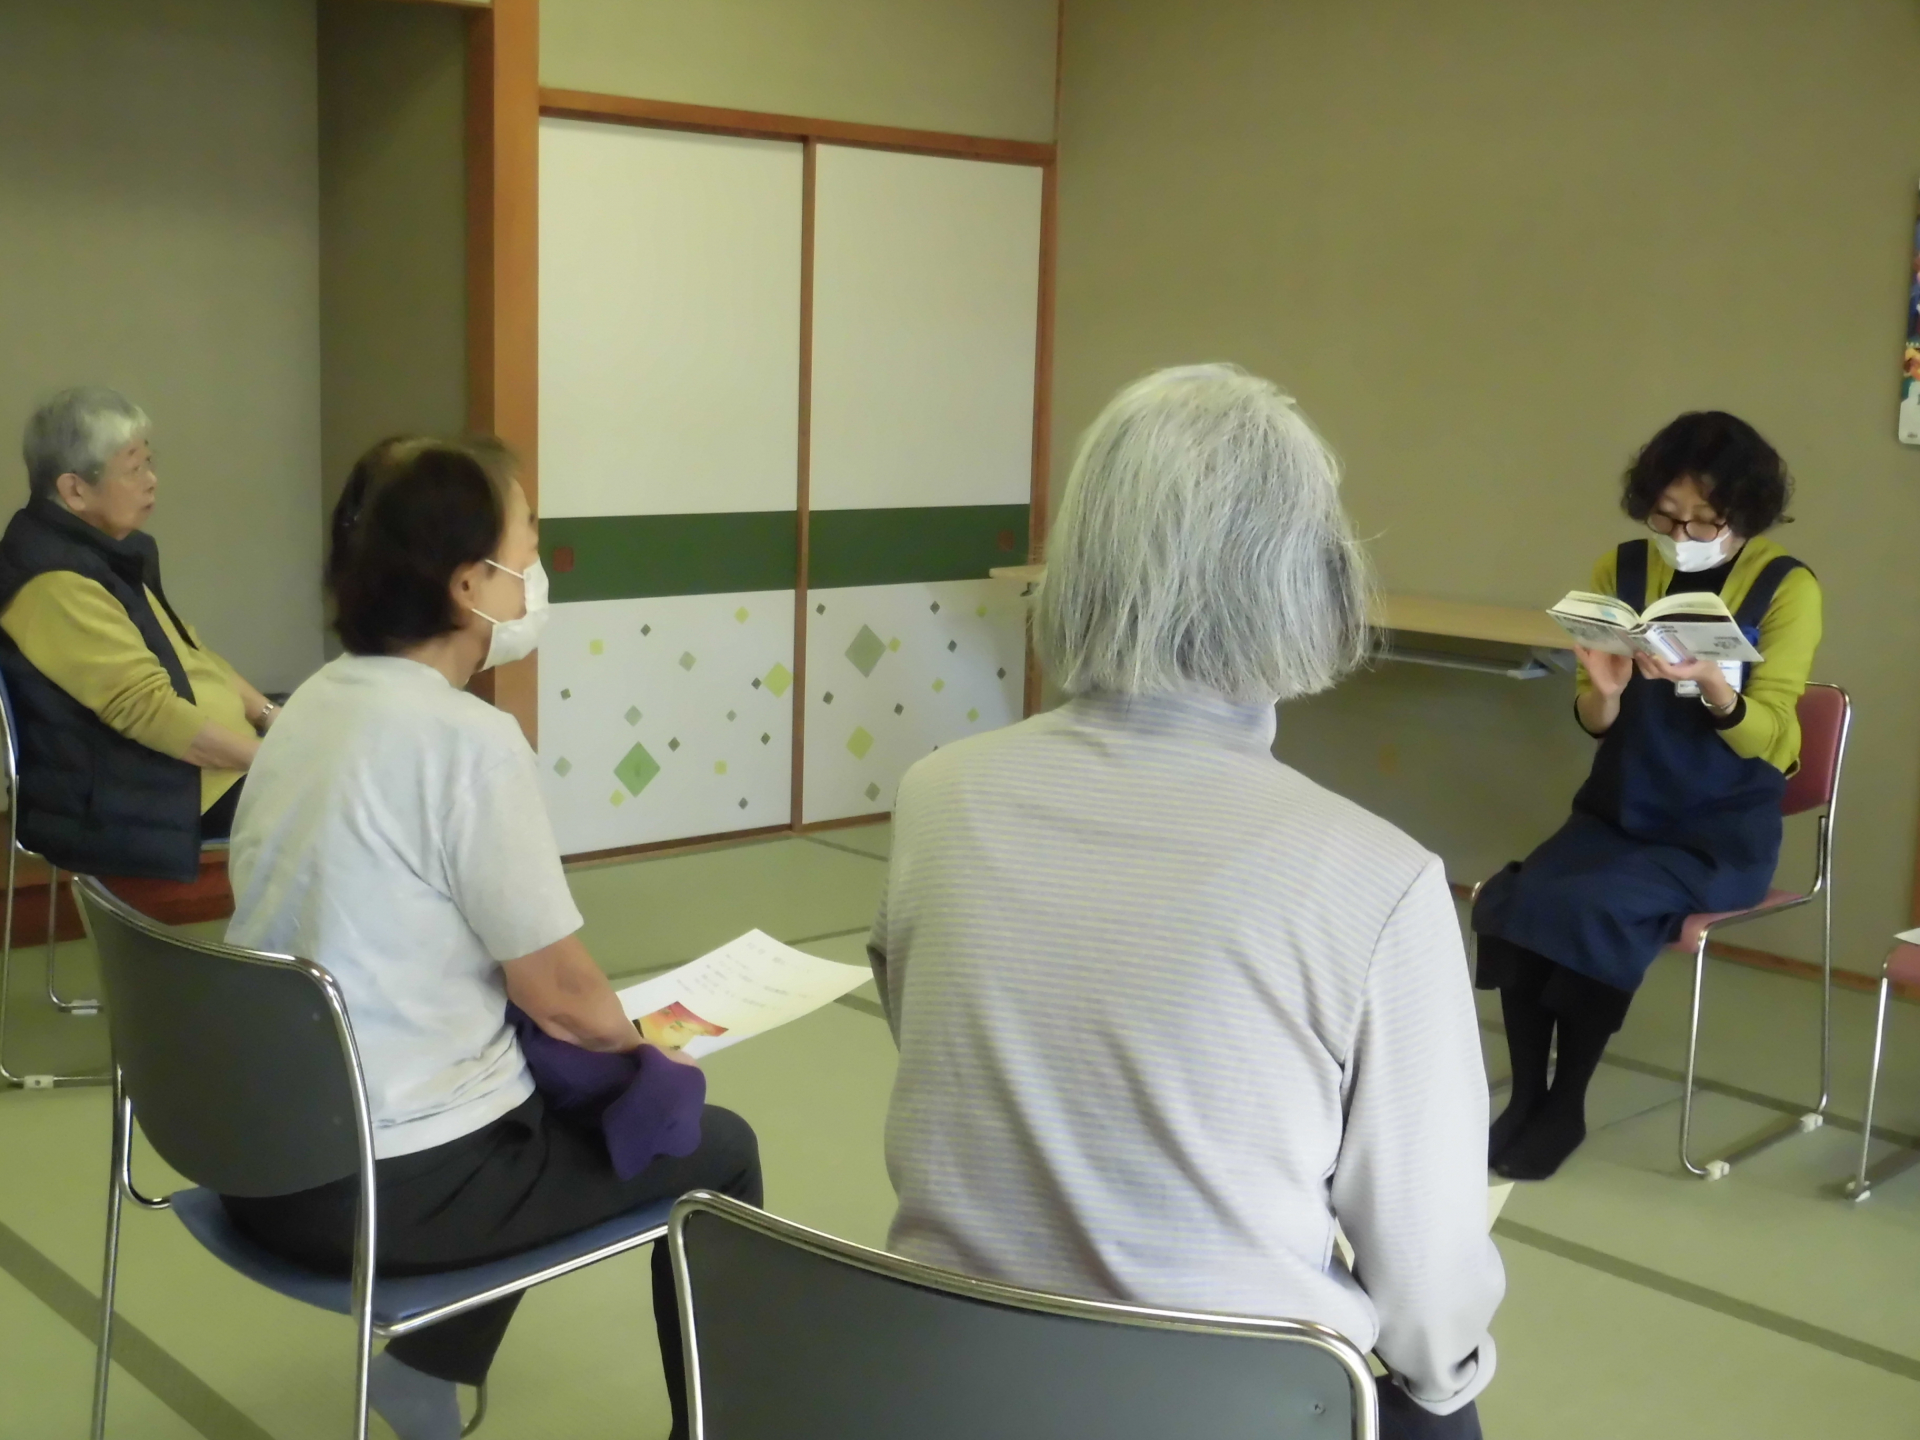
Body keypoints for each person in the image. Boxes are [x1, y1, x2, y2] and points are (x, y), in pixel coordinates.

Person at [869, 366, 1504, 1439]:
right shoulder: (1378, 879)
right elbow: (1429, 1301)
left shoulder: (938, 796)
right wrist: (1444, 1381)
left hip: (952, 1377)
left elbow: (946, 1048)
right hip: (1233, 1403)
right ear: (1310, 579)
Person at [222, 437, 761, 1440]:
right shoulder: (467, 743)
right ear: (471, 583)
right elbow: (562, 995)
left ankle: (424, 1373)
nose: (536, 572)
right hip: (381, 1190)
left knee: (517, 1079)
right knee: (715, 1150)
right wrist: (653, 1046)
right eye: (529, 545)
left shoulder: (306, 708)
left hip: (255, 1157)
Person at [1473, 411, 1823, 1182]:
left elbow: (1777, 743)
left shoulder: (1786, 587)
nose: (1682, 533)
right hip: (1620, 809)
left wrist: (1714, 685)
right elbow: (1597, 721)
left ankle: (1565, 1104)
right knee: (1517, 898)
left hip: (1718, 834)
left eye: (1704, 519)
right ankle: (1526, 1096)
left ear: (1745, 511)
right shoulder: (1622, 570)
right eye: (1666, 515)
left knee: (1590, 906)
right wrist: (1604, 692)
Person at [0, 387, 278, 879]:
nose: (152, 481)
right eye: (133, 469)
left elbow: (191, 653)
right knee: (347, 802)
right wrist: (276, 761)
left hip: (207, 768)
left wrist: (272, 717)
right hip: (153, 794)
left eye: (149, 463)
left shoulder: (101, 549)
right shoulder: (54, 580)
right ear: (74, 490)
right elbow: (146, 710)